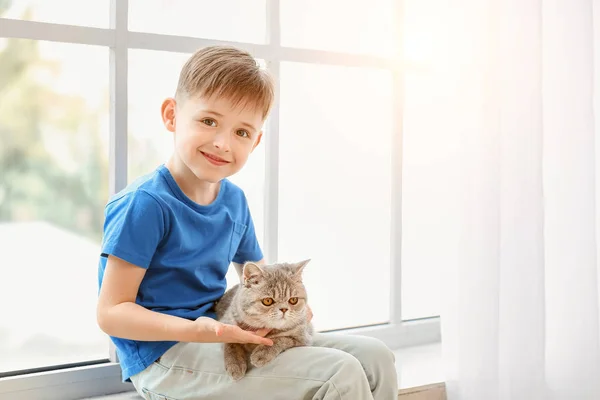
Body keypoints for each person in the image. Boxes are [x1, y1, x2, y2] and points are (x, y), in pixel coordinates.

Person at [96, 45, 398, 400]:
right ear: (171, 115)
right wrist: (203, 332)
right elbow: (111, 313)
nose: (223, 143)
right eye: (209, 121)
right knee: (339, 374)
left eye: (241, 132)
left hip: (221, 334)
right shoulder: (146, 204)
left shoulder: (234, 201)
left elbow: (259, 277)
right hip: (164, 356)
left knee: (376, 358)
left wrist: (292, 308)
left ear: (256, 141)